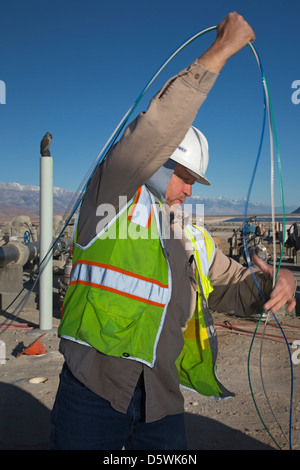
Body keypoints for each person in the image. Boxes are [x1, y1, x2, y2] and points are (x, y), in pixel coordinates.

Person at [49, 12, 296, 450]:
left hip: (161, 404)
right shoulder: (110, 200)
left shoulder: (191, 233)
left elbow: (228, 287)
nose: (188, 187)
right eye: (183, 175)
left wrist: (270, 283)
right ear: (159, 165)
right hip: (93, 394)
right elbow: (154, 132)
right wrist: (218, 55)